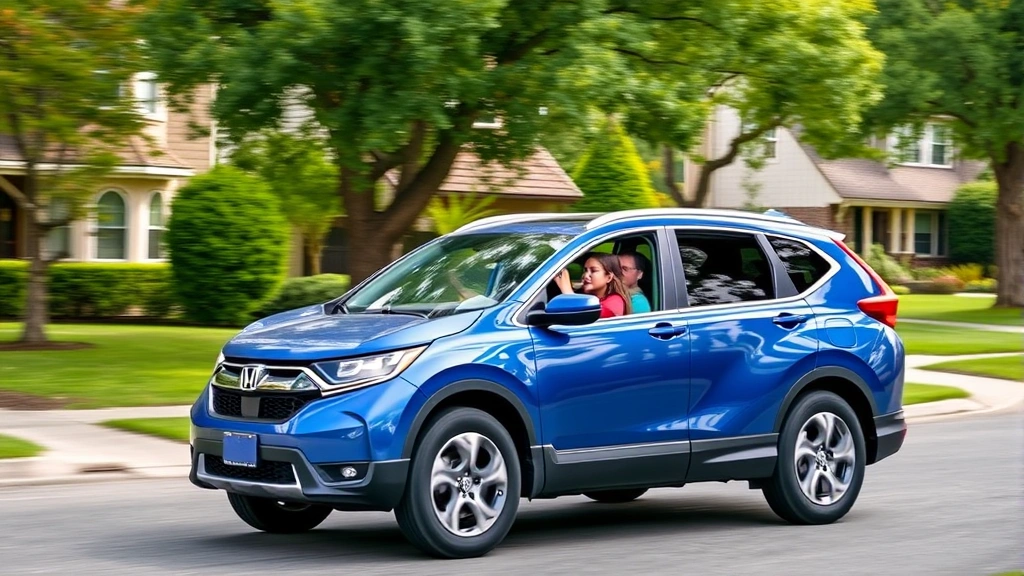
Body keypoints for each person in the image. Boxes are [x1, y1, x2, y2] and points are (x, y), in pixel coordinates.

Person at [554, 253, 633, 318]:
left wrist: (568, 293)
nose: (586, 275)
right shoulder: (584, 294)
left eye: (593, 271)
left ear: (609, 277)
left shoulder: (615, 300)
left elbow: (601, 314)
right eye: (585, 270)